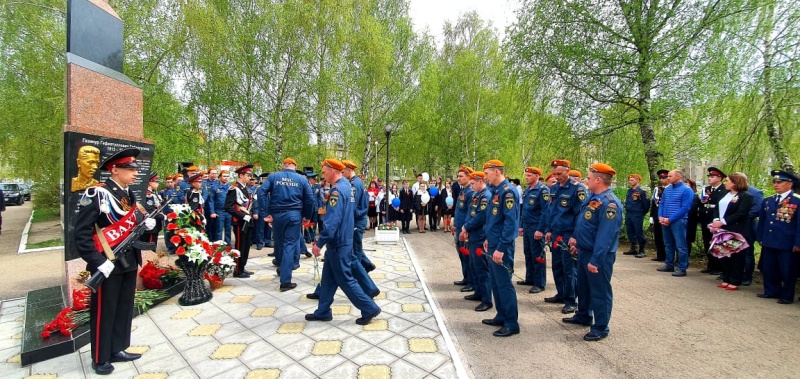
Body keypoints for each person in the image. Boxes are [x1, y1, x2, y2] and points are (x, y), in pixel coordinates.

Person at [73, 148, 156, 375]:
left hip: (128, 259)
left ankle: (117, 348)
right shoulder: (96, 194)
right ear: (114, 169)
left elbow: (132, 226)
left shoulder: (128, 195)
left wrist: (148, 225)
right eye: (129, 169)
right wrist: (97, 261)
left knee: (123, 308)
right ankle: (100, 357)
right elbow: (81, 234)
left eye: (135, 169)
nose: (134, 173)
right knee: (104, 311)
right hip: (107, 262)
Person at [305, 159, 382, 325]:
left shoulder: (337, 191)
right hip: (342, 240)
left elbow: (332, 221)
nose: (323, 175)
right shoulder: (347, 186)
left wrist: (319, 243)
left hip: (338, 242)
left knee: (346, 279)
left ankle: (369, 308)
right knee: (328, 278)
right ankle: (323, 311)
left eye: (325, 171)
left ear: (333, 170)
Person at [564, 163, 623, 342]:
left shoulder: (609, 203)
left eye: (588, 178)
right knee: (583, 287)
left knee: (600, 291)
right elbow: (585, 223)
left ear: (598, 179)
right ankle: (583, 315)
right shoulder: (593, 198)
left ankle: (601, 327)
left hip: (598, 256)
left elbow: (605, 236)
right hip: (584, 251)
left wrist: (596, 260)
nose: (585, 180)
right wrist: (576, 240)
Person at [480, 160, 520, 337]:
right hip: (494, 243)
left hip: (502, 247)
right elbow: (494, 220)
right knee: (496, 283)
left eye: (487, 173)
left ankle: (511, 323)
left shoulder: (508, 191)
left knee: (504, 284)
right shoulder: (495, 191)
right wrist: (489, 239)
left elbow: (510, 223)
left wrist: (501, 248)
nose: (485, 176)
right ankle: (501, 315)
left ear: (496, 172)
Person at [261, 158, 315, 290]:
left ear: (283, 166)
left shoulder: (274, 177)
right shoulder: (301, 179)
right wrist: (307, 216)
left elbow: (262, 192)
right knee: (290, 245)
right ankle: (285, 280)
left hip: (277, 214)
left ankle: (281, 266)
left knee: (279, 242)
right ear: (294, 166)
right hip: (294, 214)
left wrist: (265, 213)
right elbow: (310, 199)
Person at [543, 159, 586, 314]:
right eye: (554, 174)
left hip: (569, 233)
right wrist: (548, 229)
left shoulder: (577, 189)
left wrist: (575, 236)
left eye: (560, 174)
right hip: (556, 233)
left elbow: (580, 215)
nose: (557, 177)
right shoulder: (554, 188)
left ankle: (571, 300)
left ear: (568, 171)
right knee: (557, 266)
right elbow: (551, 211)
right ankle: (561, 294)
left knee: (569, 268)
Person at [755, 170, 800, 304]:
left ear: (789, 184)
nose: (776, 184)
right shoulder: (768, 201)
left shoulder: (796, 201)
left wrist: (798, 242)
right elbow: (762, 221)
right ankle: (771, 291)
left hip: (787, 242)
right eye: (774, 182)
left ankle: (786, 295)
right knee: (769, 268)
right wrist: (760, 237)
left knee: (787, 270)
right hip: (769, 240)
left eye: (779, 182)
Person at [707, 172, 754, 291]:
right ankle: (726, 278)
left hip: (736, 230)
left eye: (727, 181)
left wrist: (723, 221)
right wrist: (716, 220)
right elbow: (717, 208)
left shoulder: (745, 196)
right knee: (724, 255)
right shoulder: (724, 193)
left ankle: (734, 280)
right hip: (722, 230)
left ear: (735, 182)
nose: (725, 183)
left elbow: (741, 213)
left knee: (735, 256)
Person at [461, 171, 493, 312]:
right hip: (473, 234)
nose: (471, 186)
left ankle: (486, 299)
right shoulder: (476, 195)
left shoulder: (486, 196)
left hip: (480, 235)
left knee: (482, 268)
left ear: (480, 182)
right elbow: (470, 213)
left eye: (473, 183)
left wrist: (467, 226)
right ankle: (479, 292)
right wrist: (466, 227)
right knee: (474, 266)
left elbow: (481, 217)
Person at [656, 170, 695, 277]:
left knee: (680, 245)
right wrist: (660, 216)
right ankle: (669, 264)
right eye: (667, 176)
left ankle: (682, 267)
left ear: (678, 176)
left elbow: (685, 207)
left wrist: (671, 219)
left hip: (678, 221)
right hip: (665, 220)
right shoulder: (667, 189)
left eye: (670, 176)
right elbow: (662, 203)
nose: (668, 178)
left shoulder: (687, 190)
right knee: (668, 244)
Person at [519, 167, 550, 294]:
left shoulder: (542, 190)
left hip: (536, 227)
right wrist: (521, 225)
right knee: (528, 253)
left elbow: (545, 212)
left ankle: (540, 282)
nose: (526, 177)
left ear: (537, 176)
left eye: (529, 175)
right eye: (526, 175)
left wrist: (540, 229)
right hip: (527, 226)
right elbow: (524, 210)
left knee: (538, 255)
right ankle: (530, 278)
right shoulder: (527, 190)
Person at [225, 164, 258, 278]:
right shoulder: (234, 188)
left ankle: (243, 267)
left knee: (247, 245)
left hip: (247, 221)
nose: (250, 177)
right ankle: (238, 270)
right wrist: (242, 216)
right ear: (241, 175)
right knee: (240, 245)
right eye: (248, 175)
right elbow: (228, 207)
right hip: (240, 222)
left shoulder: (245, 188)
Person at [342, 160, 376, 272]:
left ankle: (358, 272)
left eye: (343, 171)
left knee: (355, 248)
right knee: (355, 245)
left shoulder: (354, 184)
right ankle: (367, 264)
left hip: (357, 219)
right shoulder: (356, 182)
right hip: (359, 218)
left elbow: (353, 204)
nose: (342, 174)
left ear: (349, 170)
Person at [700, 167, 729, 276]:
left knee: (716, 243)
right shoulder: (707, 189)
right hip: (705, 219)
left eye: (712, 177)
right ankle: (711, 264)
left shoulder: (724, 190)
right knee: (707, 242)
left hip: (715, 219)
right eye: (709, 177)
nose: (709, 179)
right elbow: (701, 203)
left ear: (719, 178)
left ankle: (718, 267)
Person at [452, 166, 474, 290]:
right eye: (458, 176)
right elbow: (459, 210)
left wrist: (465, 229)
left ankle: (471, 281)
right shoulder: (463, 191)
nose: (458, 178)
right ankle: (466, 278)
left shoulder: (471, 192)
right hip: (459, 227)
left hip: (465, 229)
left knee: (468, 256)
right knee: (462, 255)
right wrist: (455, 225)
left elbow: (470, 213)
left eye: (461, 176)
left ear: (469, 177)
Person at [742, 183, 764, 286]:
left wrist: (740, 219)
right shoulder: (732, 192)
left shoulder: (756, 192)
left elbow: (756, 209)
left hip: (748, 226)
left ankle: (747, 277)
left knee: (747, 252)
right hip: (733, 226)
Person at [622, 174, 649, 258]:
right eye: (629, 180)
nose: (630, 181)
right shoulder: (629, 191)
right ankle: (633, 248)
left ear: (637, 180)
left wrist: (641, 213)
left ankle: (642, 250)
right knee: (630, 231)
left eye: (632, 180)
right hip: (629, 213)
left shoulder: (642, 191)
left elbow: (646, 205)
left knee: (638, 231)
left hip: (637, 214)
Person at [140, 173, 164, 246]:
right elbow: (148, 210)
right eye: (156, 182)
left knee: (153, 245)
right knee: (149, 247)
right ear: (150, 183)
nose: (158, 184)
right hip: (149, 226)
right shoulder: (147, 195)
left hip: (154, 225)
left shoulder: (153, 193)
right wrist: (160, 216)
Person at [208, 170, 232, 245]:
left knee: (228, 230)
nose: (226, 178)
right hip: (219, 211)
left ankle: (228, 246)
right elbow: (211, 201)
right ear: (220, 177)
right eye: (224, 176)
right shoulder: (215, 188)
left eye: (227, 176)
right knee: (219, 230)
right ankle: (219, 247)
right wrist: (212, 212)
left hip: (229, 211)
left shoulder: (231, 188)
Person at [650, 170, 669, 262]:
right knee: (658, 236)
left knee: (665, 237)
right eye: (660, 178)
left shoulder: (670, 189)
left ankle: (667, 256)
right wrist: (651, 216)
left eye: (664, 178)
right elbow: (654, 203)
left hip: (666, 215)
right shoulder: (658, 189)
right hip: (657, 214)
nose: (662, 180)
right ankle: (660, 255)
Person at [684, 178, 701, 261]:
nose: (685, 185)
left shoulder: (695, 196)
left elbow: (692, 209)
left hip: (690, 221)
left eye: (687, 183)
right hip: (682, 220)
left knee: (687, 241)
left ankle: (686, 258)